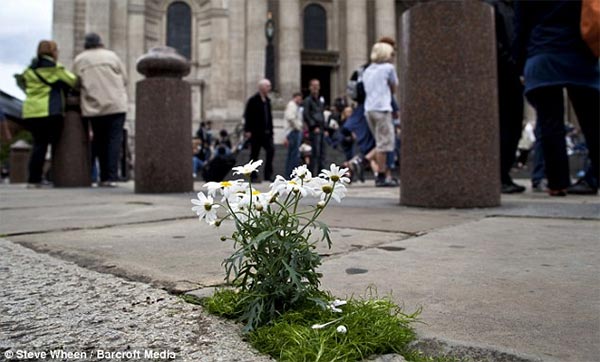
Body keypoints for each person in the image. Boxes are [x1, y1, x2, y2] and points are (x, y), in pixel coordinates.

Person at [515, 0, 599, 196]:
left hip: (543, 53)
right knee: (593, 125)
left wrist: (520, 65)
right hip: (580, 54)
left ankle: (557, 183)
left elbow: (521, 26)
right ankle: (593, 178)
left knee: (550, 122)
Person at [16, 40, 77, 188]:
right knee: (55, 144)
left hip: (30, 111)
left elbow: (22, 84)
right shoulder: (54, 69)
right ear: (53, 52)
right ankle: (54, 176)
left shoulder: (29, 70)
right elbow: (73, 80)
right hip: (49, 110)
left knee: (38, 144)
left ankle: (33, 178)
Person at [73, 32, 128, 187]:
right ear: (100, 43)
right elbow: (125, 79)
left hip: (93, 106)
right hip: (116, 104)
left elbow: (75, 83)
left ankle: (95, 176)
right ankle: (110, 177)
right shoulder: (112, 56)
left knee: (97, 140)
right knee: (113, 141)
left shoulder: (80, 59)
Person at [485, 0, 527, 194]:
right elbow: (495, 41)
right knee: (506, 125)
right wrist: (513, 66)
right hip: (503, 74)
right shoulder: (493, 5)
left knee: (513, 125)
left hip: (509, 72)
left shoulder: (509, 7)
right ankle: (499, 175)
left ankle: (502, 174)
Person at [362, 42, 399, 187]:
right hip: (382, 108)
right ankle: (380, 175)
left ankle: (365, 163)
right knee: (385, 144)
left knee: (380, 143)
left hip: (369, 109)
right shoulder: (388, 68)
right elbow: (394, 87)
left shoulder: (368, 70)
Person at [243, 79, 274, 182]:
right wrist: (247, 130)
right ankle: (252, 175)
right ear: (262, 87)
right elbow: (248, 115)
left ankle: (268, 174)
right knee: (254, 155)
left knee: (271, 151)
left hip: (266, 133)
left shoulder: (268, 101)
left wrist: (271, 130)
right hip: (255, 132)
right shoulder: (253, 100)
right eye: (268, 86)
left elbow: (269, 117)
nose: (269, 88)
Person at [303, 79, 327, 175]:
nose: (315, 88)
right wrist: (313, 126)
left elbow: (322, 114)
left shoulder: (320, 101)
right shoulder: (308, 101)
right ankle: (312, 174)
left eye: (317, 85)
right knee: (315, 153)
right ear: (310, 87)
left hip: (321, 129)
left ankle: (322, 174)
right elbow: (306, 115)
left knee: (322, 153)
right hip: (314, 130)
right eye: (313, 86)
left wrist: (325, 128)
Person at [283, 92, 303, 177]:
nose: (300, 100)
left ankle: (290, 173)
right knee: (294, 154)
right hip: (293, 131)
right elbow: (291, 118)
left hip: (293, 131)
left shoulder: (295, 106)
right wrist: (298, 127)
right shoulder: (292, 105)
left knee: (293, 154)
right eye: (299, 98)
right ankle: (290, 173)